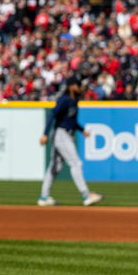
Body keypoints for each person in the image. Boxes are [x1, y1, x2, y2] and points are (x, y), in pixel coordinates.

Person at [38, 76, 104, 207]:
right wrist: (45, 134)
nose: (80, 87)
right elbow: (52, 115)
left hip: (66, 133)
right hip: (60, 134)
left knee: (54, 167)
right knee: (76, 163)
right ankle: (86, 195)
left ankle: (44, 197)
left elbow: (71, 121)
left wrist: (82, 129)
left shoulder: (74, 101)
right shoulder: (64, 100)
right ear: (71, 86)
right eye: (78, 85)